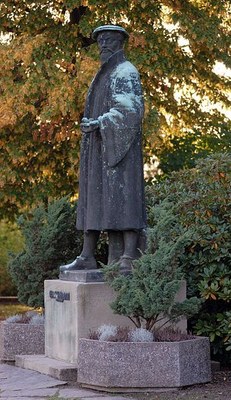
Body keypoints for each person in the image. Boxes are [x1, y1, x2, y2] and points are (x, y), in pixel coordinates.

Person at [60, 25, 146, 272]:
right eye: (101, 40)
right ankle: (87, 255)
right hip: (98, 147)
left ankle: (129, 256)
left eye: (109, 40)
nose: (103, 44)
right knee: (94, 198)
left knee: (124, 198)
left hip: (121, 149)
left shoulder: (125, 71)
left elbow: (130, 110)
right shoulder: (104, 73)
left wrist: (100, 122)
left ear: (121, 43)